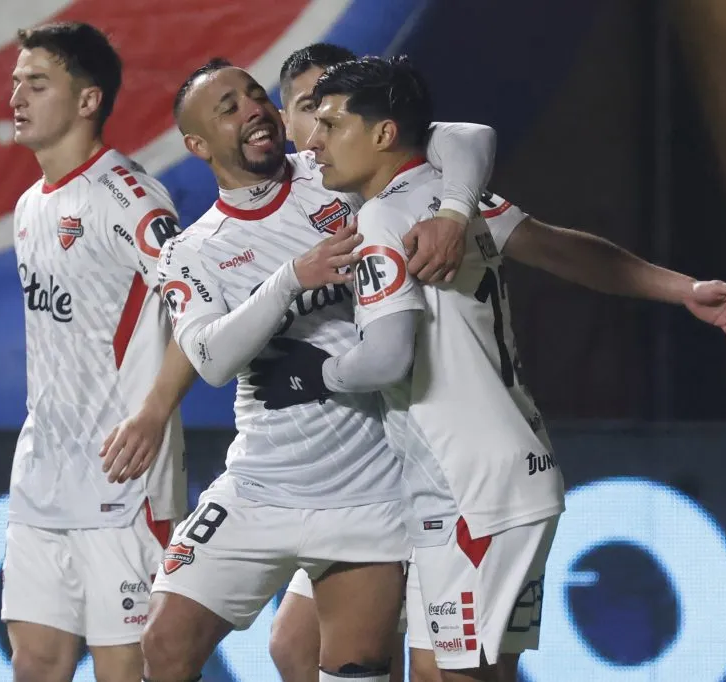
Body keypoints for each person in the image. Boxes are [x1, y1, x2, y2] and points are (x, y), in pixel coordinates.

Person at [250, 55, 726, 682]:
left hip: (469, 490)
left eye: (329, 121)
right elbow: (553, 241)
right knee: (435, 666)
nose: (315, 139)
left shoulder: (386, 215)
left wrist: (309, 373)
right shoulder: (441, 194)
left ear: (383, 132)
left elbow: (387, 356)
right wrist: (684, 288)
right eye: (310, 118)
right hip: (494, 476)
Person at [140, 57, 501, 682]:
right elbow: (211, 357)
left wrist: (452, 211)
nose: (253, 109)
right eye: (229, 107)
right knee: (164, 646)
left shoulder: (336, 171)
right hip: (259, 484)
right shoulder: (192, 250)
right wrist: (288, 282)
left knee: (351, 670)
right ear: (198, 144)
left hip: (367, 491)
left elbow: (467, 137)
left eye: (255, 95)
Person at [3, 22, 197, 682]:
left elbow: (201, 310)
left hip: (123, 485)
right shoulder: (29, 206)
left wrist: (152, 414)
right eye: (15, 83)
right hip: (42, 476)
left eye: (37, 83)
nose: (17, 97)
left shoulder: (130, 200)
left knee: (125, 673)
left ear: (88, 101)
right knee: (36, 665)